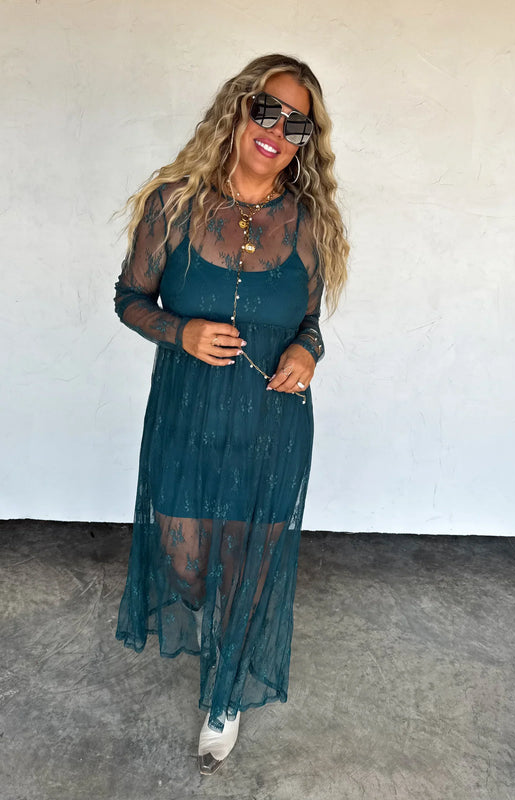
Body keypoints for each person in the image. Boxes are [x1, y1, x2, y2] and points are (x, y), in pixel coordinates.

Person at [113, 53, 349, 775]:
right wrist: (179, 331)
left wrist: (307, 350)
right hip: (187, 417)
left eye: (297, 123)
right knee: (186, 567)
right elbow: (129, 299)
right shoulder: (173, 204)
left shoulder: (309, 223)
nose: (277, 129)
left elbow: (309, 321)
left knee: (247, 568)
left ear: (305, 142)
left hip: (272, 424)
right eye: (267, 110)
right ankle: (216, 633)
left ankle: (226, 693)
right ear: (239, 110)